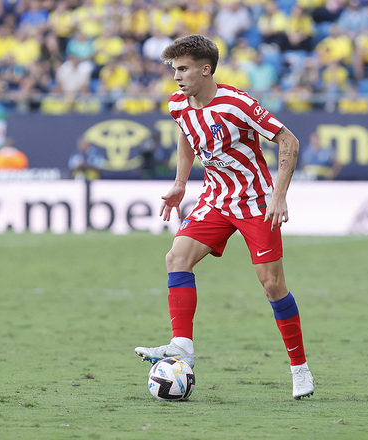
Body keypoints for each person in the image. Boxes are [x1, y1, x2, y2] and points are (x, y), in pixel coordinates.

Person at [134, 34, 314, 400]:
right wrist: (181, 183)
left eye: (183, 69)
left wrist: (278, 196)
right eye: (174, 70)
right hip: (216, 200)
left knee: (272, 285)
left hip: (255, 202)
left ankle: (299, 368)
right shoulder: (178, 104)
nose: (176, 77)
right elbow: (186, 135)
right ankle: (182, 346)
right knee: (176, 258)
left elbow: (289, 142)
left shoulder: (237, 104)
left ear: (205, 69)